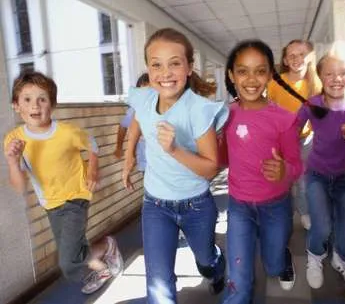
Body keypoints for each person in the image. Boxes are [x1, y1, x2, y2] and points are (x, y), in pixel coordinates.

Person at [121, 28, 228, 304]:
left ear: (189, 67)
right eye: (156, 64)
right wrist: (129, 156)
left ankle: (215, 267)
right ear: (148, 68)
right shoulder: (144, 97)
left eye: (175, 63)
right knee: (158, 281)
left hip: (196, 205)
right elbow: (137, 119)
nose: (165, 72)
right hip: (155, 206)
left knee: (205, 259)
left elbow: (210, 168)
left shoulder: (199, 109)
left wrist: (174, 149)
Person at [3, 71, 123, 295]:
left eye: (42, 99)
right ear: (16, 105)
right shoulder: (14, 140)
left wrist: (94, 170)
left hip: (76, 196)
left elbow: (93, 144)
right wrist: (11, 161)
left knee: (68, 263)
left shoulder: (67, 132)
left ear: (52, 104)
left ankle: (107, 248)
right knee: (73, 255)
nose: (35, 106)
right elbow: (19, 186)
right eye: (27, 99)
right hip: (50, 203)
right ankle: (105, 263)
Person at [220, 40, 303, 304]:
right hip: (239, 207)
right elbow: (222, 159)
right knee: (239, 282)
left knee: (273, 267)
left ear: (269, 75)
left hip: (276, 205)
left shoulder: (284, 118)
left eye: (260, 71)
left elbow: (297, 165)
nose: (251, 79)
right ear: (232, 76)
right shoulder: (224, 115)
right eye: (243, 71)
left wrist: (284, 171)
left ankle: (282, 258)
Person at [298, 44, 345, 289]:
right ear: (321, 76)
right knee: (321, 225)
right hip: (317, 176)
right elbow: (289, 132)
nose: (336, 79)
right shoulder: (312, 104)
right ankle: (314, 258)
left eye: (343, 72)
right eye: (329, 73)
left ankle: (342, 262)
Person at [267, 39, 322, 230]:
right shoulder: (275, 83)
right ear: (285, 59)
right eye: (291, 55)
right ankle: (284, 218)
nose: (296, 59)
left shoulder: (315, 83)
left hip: (307, 141)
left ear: (309, 58)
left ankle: (305, 212)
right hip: (281, 141)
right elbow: (269, 111)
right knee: (283, 182)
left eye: (301, 54)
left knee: (304, 181)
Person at [114, 73, 149, 174]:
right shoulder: (134, 110)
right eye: (143, 91)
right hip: (145, 160)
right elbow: (123, 126)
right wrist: (119, 147)